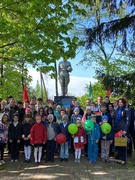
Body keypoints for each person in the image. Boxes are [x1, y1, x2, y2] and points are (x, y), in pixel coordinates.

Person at [114, 98, 131, 165]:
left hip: (123, 130)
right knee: (119, 144)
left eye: (121, 102)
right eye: (119, 102)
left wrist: (125, 130)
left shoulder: (127, 110)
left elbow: (128, 121)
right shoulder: (118, 109)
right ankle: (120, 158)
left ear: (124, 102)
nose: (120, 103)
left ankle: (123, 159)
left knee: (123, 144)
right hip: (117, 129)